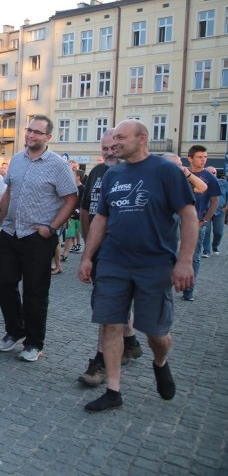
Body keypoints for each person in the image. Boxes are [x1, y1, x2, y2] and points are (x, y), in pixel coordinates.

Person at [78, 120, 196, 412]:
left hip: (154, 265)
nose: (115, 142)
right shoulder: (113, 174)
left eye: (121, 137)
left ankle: (160, 361)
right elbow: (101, 219)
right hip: (114, 263)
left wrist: (184, 261)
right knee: (111, 324)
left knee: (156, 332)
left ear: (142, 138)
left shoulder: (166, 171)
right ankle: (113, 391)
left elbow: (189, 215)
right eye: (113, 138)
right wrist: (87, 256)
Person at [0, 115, 78, 362]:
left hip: (38, 237)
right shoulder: (16, 160)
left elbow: (71, 199)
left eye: (37, 132)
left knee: (35, 292)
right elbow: (8, 195)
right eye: (29, 130)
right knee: (4, 282)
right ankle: (14, 330)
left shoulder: (58, 165)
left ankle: (34, 343)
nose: (30, 135)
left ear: (48, 137)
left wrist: (52, 228)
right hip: (11, 232)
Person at [76, 131, 143, 388]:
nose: (108, 152)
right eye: (104, 148)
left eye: (113, 147)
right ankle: (131, 342)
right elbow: (86, 209)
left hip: (121, 252)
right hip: (99, 251)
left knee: (106, 308)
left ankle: (101, 362)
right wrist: (87, 249)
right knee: (111, 306)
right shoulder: (97, 172)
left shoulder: (134, 174)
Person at [185, 145, 220, 301]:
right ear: (190, 158)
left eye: (205, 157)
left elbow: (214, 202)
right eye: (200, 157)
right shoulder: (182, 174)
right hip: (178, 221)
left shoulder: (210, 178)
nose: (203, 159)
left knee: (195, 257)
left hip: (197, 222)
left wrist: (204, 221)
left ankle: (189, 289)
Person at [60, 169, 85, 261]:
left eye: (73, 174)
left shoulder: (83, 189)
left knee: (85, 236)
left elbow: (84, 203)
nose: (71, 176)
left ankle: (90, 255)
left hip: (80, 218)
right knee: (69, 236)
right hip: (71, 217)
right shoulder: (71, 188)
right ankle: (65, 254)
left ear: (78, 177)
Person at [202, 169, 227, 255]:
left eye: (214, 172)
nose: (212, 174)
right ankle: (206, 251)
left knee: (218, 232)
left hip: (220, 211)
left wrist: (225, 208)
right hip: (206, 211)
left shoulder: (224, 183)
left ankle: (215, 246)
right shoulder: (201, 183)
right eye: (209, 173)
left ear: (216, 174)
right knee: (206, 231)